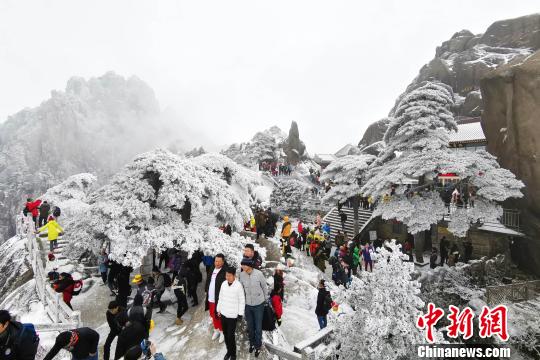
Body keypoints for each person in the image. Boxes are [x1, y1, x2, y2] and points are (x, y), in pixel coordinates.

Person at [239, 258, 267, 357]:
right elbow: (241, 290)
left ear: (249, 265)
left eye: (243, 265)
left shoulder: (258, 274)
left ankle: (258, 346)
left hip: (259, 304)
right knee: (250, 327)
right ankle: (252, 344)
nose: (242, 267)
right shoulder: (241, 275)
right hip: (248, 305)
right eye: (242, 265)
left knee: (258, 328)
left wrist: (266, 300)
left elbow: (264, 287)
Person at [216, 267, 245, 360]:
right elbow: (220, 297)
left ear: (234, 276)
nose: (227, 277)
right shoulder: (223, 284)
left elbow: (242, 300)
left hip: (232, 316)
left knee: (230, 336)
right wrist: (218, 310)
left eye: (229, 275)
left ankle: (233, 354)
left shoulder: (238, 285)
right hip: (224, 313)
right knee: (225, 334)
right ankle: (228, 351)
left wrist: (240, 314)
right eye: (226, 275)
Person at [205, 254, 227, 343]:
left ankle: (222, 331)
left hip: (219, 298)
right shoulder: (212, 268)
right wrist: (206, 289)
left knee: (219, 315)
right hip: (210, 297)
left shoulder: (225, 271)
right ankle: (216, 329)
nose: (216, 263)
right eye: (215, 261)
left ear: (223, 262)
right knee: (213, 315)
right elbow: (208, 279)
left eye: (218, 261)